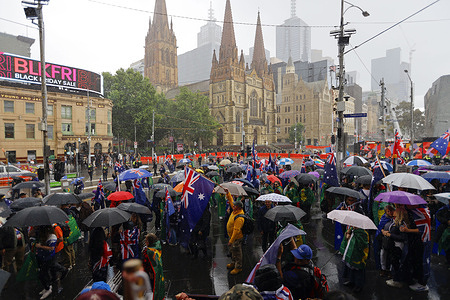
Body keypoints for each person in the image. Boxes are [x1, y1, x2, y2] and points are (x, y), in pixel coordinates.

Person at [35, 226, 68, 300]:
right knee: (47, 271)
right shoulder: (43, 235)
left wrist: (40, 246)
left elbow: (51, 248)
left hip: (48, 257)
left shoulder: (52, 236)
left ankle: (48, 288)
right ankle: (48, 286)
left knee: (42, 274)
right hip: (42, 257)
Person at [340, 226, 369, 293]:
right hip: (351, 253)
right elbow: (347, 239)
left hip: (358, 255)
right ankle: (351, 281)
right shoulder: (351, 229)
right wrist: (347, 234)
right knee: (350, 267)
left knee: (358, 270)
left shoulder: (363, 233)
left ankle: (359, 285)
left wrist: (354, 236)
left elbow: (362, 244)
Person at [225, 188, 245, 275]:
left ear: (239, 207)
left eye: (235, 206)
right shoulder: (235, 210)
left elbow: (236, 231)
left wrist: (231, 241)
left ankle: (238, 267)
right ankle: (233, 263)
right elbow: (231, 200)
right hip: (231, 236)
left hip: (236, 238)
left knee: (237, 252)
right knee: (233, 251)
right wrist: (227, 193)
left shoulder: (240, 217)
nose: (233, 206)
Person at [142, 233, 165, 300]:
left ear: (150, 242)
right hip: (157, 272)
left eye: (146, 241)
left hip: (150, 274)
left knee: (151, 288)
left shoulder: (149, 252)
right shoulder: (157, 247)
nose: (145, 242)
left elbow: (149, 263)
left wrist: (150, 272)